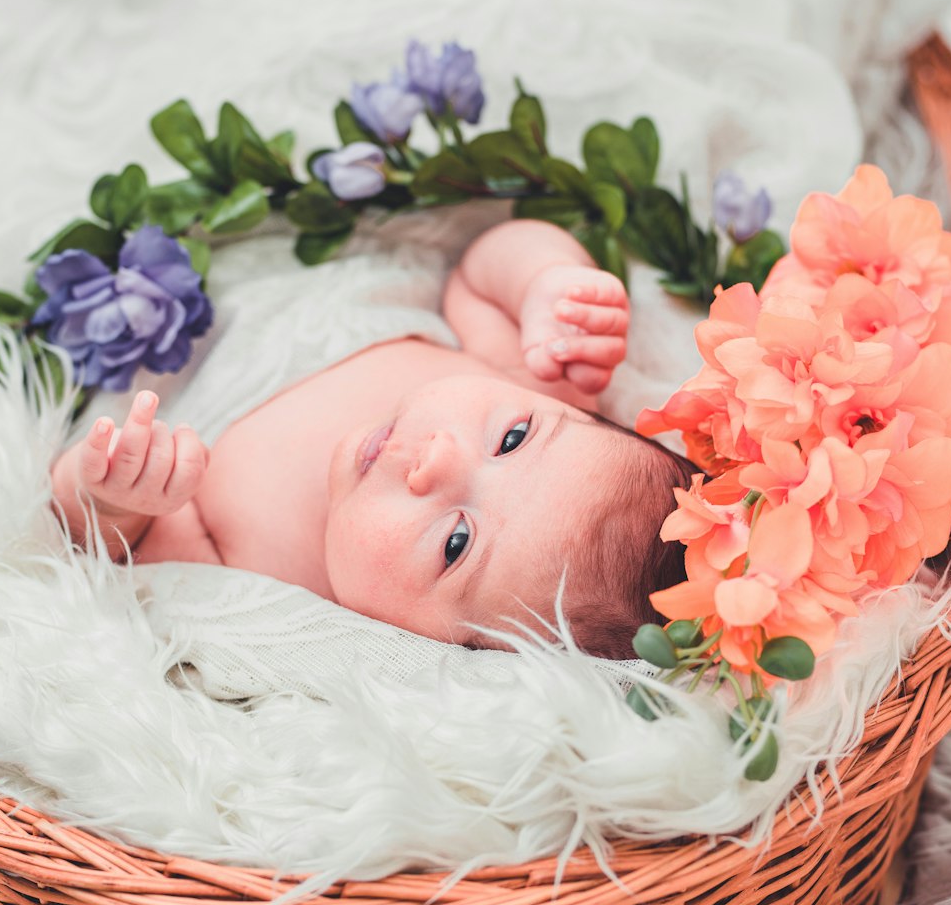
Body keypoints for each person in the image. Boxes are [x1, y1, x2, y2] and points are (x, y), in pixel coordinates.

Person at [50, 219, 696, 657]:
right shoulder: (530, 379)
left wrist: (114, 496)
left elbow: (110, 549)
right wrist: (547, 281)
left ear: (429, 645)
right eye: (513, 439)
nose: (439, 458)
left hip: (146, 339)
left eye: (457, 542)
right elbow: (477, 272)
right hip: (270, 241)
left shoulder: (269, 581)